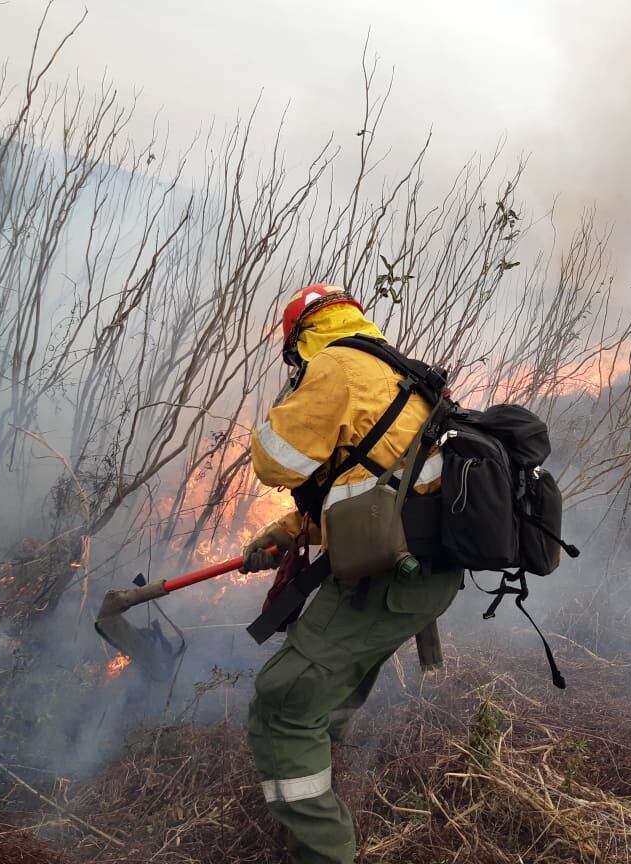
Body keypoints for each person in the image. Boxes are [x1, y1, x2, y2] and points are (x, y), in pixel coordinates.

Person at [242, 283, 460, 864]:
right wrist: (290, 530)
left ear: (298, 341)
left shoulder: (336, 367)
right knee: (327, 689)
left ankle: (323, 851)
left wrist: (289, 401)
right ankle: (322, 770)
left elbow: (272, 462)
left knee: (282, 703)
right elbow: (378, 496)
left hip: (385, 581)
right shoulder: (402, 377)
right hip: (421, 575)